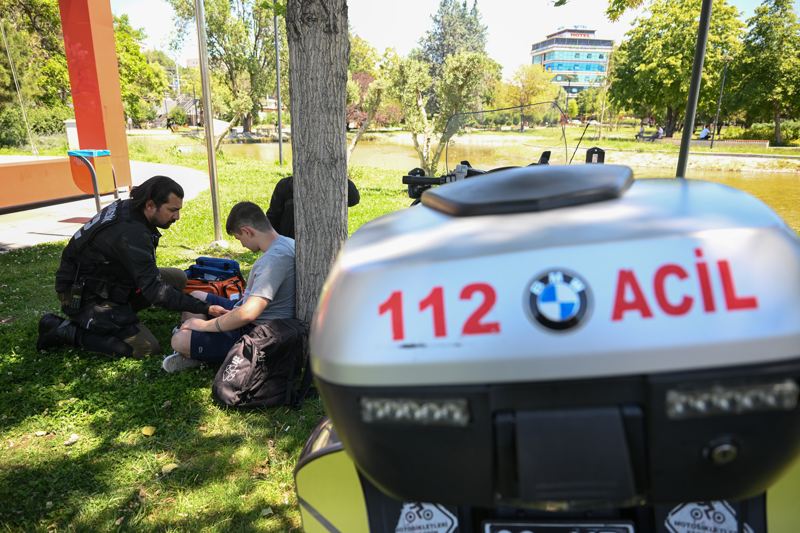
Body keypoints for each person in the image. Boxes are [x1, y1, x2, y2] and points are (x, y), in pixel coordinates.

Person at [36, 176, 229, 359]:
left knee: (177, 278)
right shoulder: (131, 232)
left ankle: (122, 313)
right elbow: (155, 291)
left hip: (109, 280)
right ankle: (65, 330)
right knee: (146, 348)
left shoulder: (131, 208)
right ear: (150, 205)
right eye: (172, 210)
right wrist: (206, 307)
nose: (177, 216)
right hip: (84, 295)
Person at [163, 201, 296, 372]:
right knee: (196, 296)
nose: (242, 245)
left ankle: (193, 347)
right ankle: (196, 343)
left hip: (257, 329)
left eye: (239, 238)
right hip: (246, 312)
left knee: (179, 340)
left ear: (247, 231)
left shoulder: (273, 260)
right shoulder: (288, 243)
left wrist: (203, 326)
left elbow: (248, 313)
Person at [266, 176, 360, 239]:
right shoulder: (285, 186)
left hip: (324, 241)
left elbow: (354, 199)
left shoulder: (333, 183)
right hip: (291, 245)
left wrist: (339, 174)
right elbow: (273, 219)